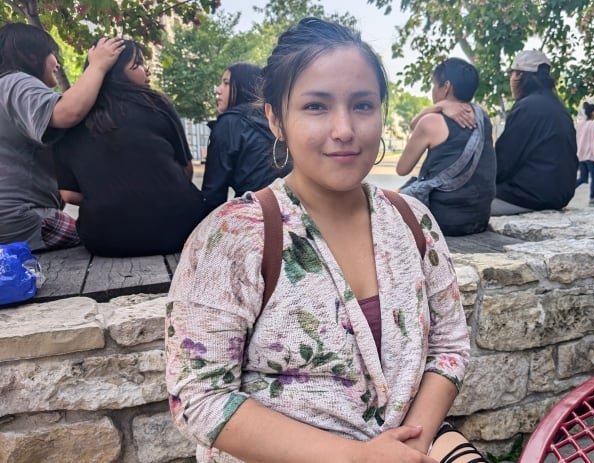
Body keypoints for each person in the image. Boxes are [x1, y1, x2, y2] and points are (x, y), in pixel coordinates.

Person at [165, 18, 481, 463]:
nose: (344, 129)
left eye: (363, 106)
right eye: (316, 106)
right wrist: (356, 458)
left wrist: (409, 444)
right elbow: (200, 397)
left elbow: (449, 345)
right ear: (276, 118)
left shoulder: (414, 222)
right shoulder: (233, 238)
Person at [53, 40, 205, 257]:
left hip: (106, 240)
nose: (147, 70)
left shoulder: (67, 118)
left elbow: (69, 195)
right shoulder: (156, 103)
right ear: (116, 74)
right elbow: (187, 170)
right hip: (181, 230)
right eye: (138, 64)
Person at [0, 23, 124, 251]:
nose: (57, 63)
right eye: (52, 55)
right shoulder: (16, 82)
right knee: (104, 236)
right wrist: (97, 67)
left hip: (12, 218)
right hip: (23, 217)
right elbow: (68, 112)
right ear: (30, 55)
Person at [396, 57, 496, 236]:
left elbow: (402, 168)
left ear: (446, 87)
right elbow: (414, 125)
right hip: (479, 218)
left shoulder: (431, 122)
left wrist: (436, 108)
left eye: (434, 85)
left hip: (443, 220)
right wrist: (441, 106)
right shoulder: (483, 118)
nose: (433, 91)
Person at [491, 50, 578, 215]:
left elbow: (503, 163)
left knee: (455, 207)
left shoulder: (526, 107)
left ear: (518, 76)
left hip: (528, 197)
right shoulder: (559, 107)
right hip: (558, 195)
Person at [202, 62, 292, 213]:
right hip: (294, 211)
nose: (218, 90)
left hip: (255, 215)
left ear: (243, 86)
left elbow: (213, 194)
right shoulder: (279, 119)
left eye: (226, 83)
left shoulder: (229, 124)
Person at [575, 102, 594, 206]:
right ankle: (592, 198)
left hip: (581, 155)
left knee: (582, 178)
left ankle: (566, 190)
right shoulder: (593, 125)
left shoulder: (580, 125)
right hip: (591, 156)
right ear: (593, 113)